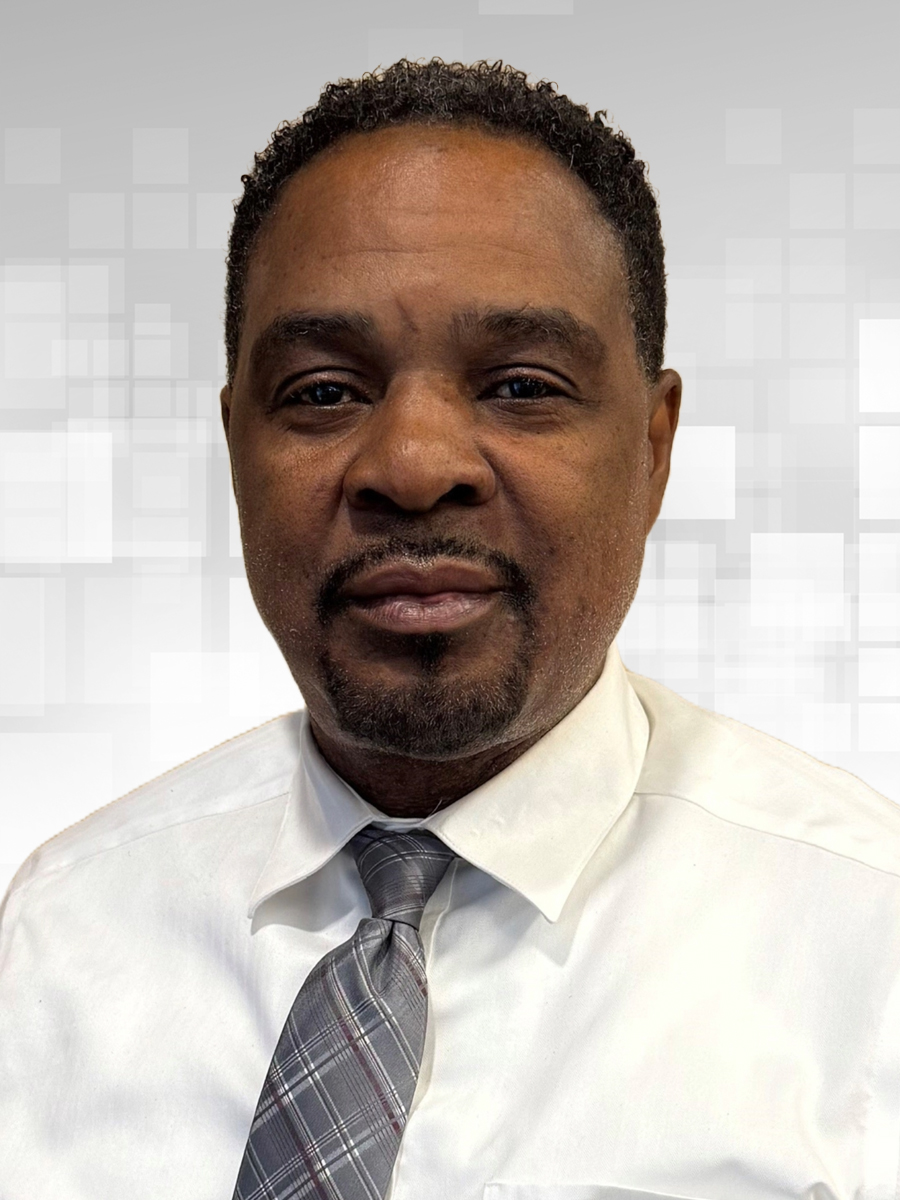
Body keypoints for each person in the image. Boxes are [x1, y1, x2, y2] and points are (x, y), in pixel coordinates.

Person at [2, 58, 899, 1200]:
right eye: (323, 392)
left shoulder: (869, 952)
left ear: (654, 446)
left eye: (521, 385)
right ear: (235, 446)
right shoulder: (58, 935)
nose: (414, 465)